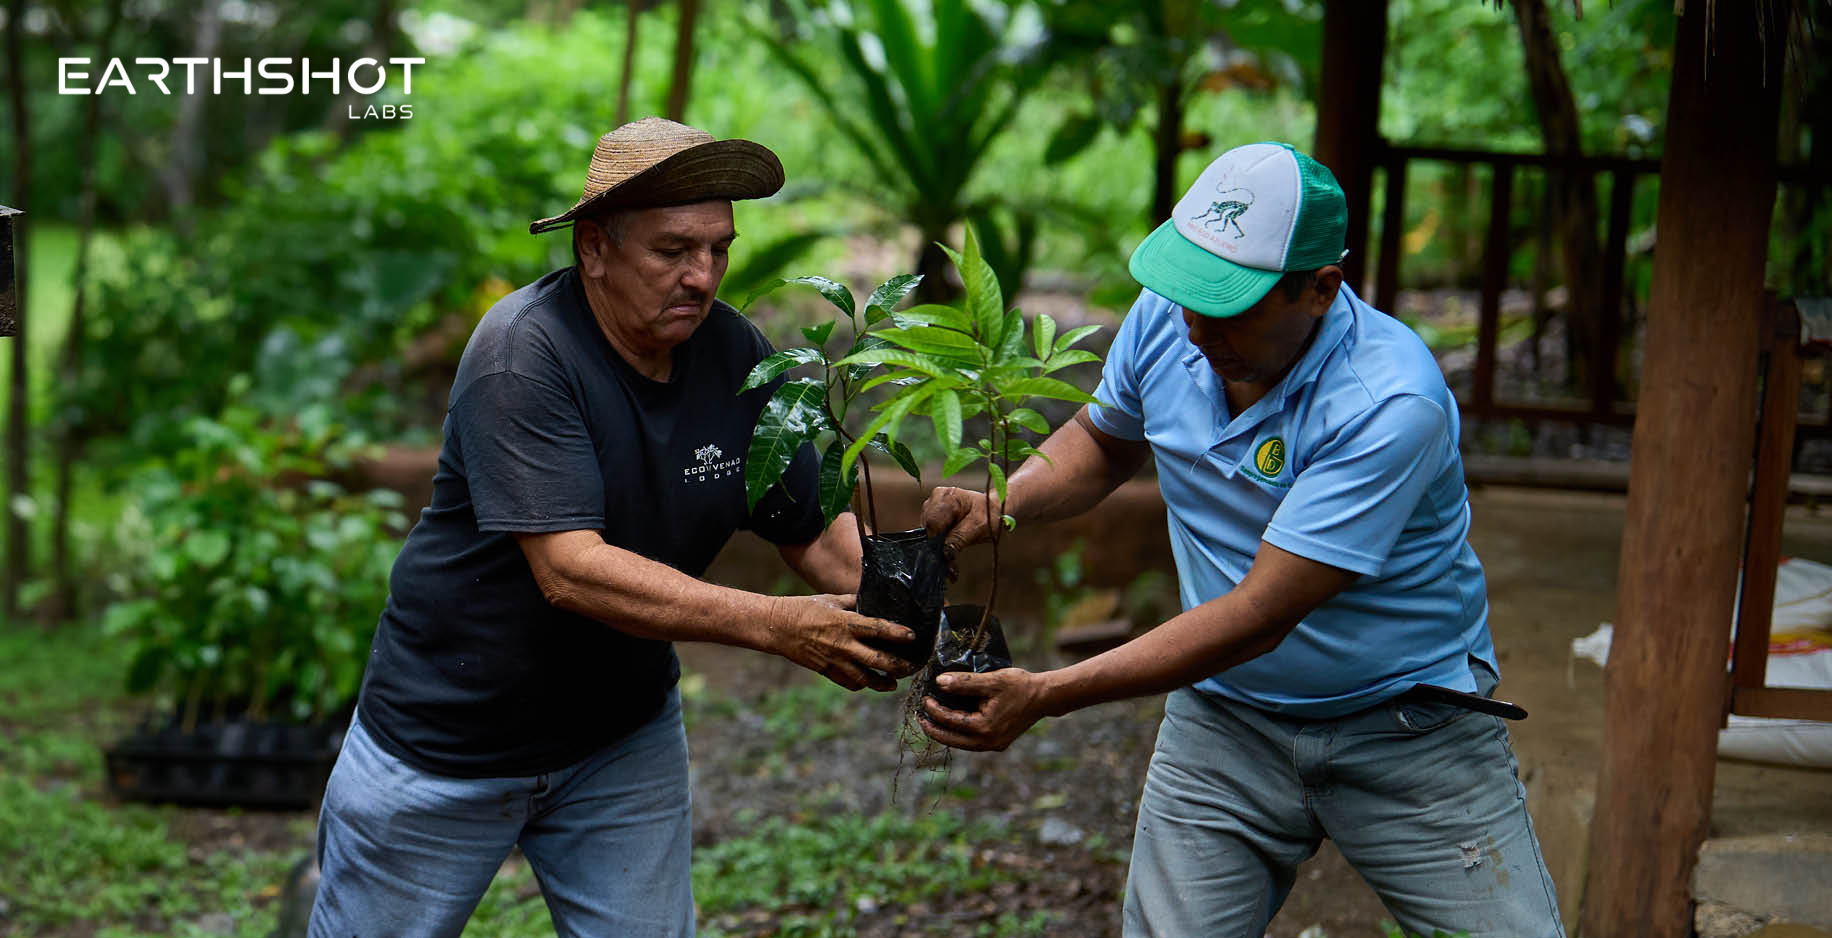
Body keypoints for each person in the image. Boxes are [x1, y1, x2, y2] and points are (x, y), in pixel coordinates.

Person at [919, 142, 1565, 938]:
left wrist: (1050, 692)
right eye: (1189, 294)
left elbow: (1261, 613)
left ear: (1321, 289)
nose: (1194, 326)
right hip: (1227, 722)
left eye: (1229, 304)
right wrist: (1003, 501)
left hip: (1407, 726)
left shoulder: (1389, 401)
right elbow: (1106, 440)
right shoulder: (1173, 316)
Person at [308, 117, 917, 938]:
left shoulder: (734, 350)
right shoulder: (524, 352)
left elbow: (809, 530)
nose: (702, 277)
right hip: (448, 742)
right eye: (672, 251)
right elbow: (571, 569)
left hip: (618, 742)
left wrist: (915, 615)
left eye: (719, 249)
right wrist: (779, 625)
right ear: (593, 248)